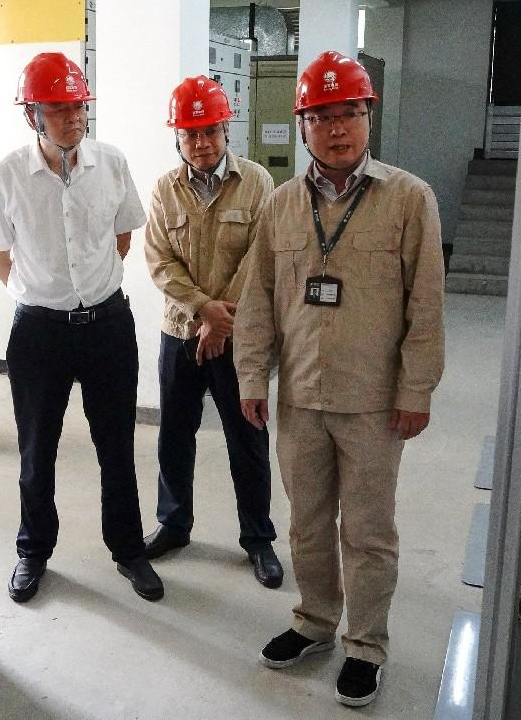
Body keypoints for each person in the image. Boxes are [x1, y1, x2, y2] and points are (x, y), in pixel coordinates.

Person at [235, 51, 444, 708]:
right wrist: (251, 378)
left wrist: (415, 390)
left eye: (348, 113)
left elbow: (426, 305)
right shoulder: (279, 205)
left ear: (368, 117)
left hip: (372, 402)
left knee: (368, 532)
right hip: (300, 397)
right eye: (321, 117)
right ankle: (314, 621)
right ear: (302, 126)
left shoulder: (408, 199)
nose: (336, 129)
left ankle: (366, 644)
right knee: (306, 523)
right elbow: (257, 299)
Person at [0, 52, 162, 603]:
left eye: (79, 106)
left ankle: (128, 549)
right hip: (39, 333)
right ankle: (33, 551)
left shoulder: (111, 163)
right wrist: (41, 294)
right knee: (37, 450)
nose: (73, 118)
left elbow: (123, 238)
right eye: (59, 109)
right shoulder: (9, 174)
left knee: (117, 446)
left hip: (108, 326)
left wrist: (89, 286)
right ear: (32, 116)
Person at [141, 75, 282, 588]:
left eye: (209, 131)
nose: (200, 143)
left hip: (239, 336)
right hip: (179, 332)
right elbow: (159, 261)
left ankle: (258, 538)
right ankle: (173, 524)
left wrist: (222, 322)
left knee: (247, 437)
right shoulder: (165, 189)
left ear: (226, 130)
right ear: (177, 138)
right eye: (189, 134)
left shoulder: (258, 183)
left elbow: (261, 259)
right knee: (175, 436)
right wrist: (204, 311)